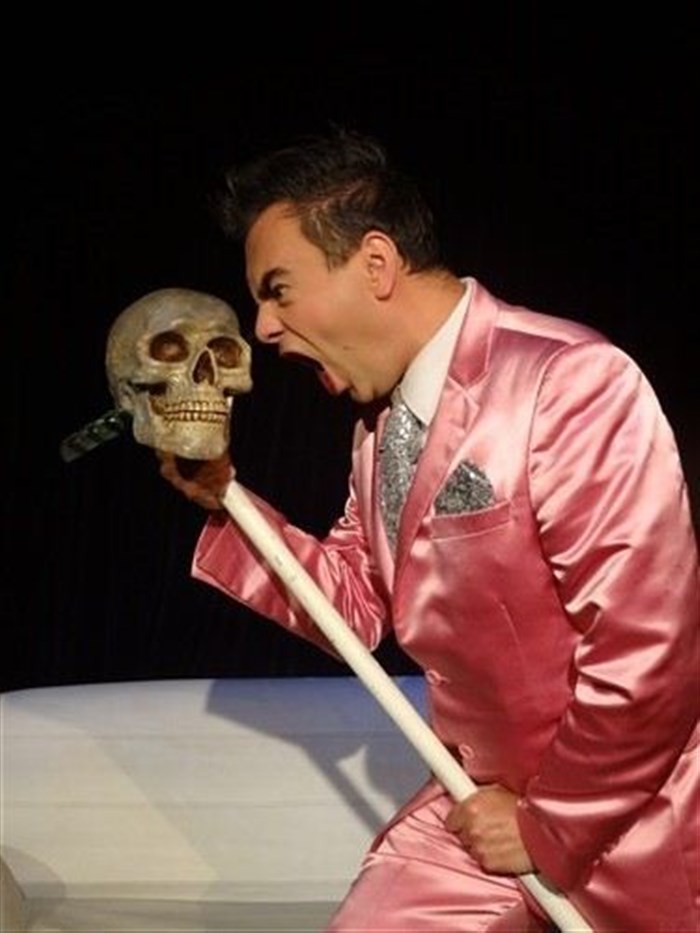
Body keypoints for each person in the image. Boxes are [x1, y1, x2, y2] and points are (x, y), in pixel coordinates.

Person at [157, 129, 699, 932]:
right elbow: (352, 605)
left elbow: (648, 652)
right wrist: (225, 498)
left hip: (630, 819)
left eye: (279, 290)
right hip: (476, 808)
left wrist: (548, 823)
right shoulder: (378, 431)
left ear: (375, 263)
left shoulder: (570, 382)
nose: (262, 327)